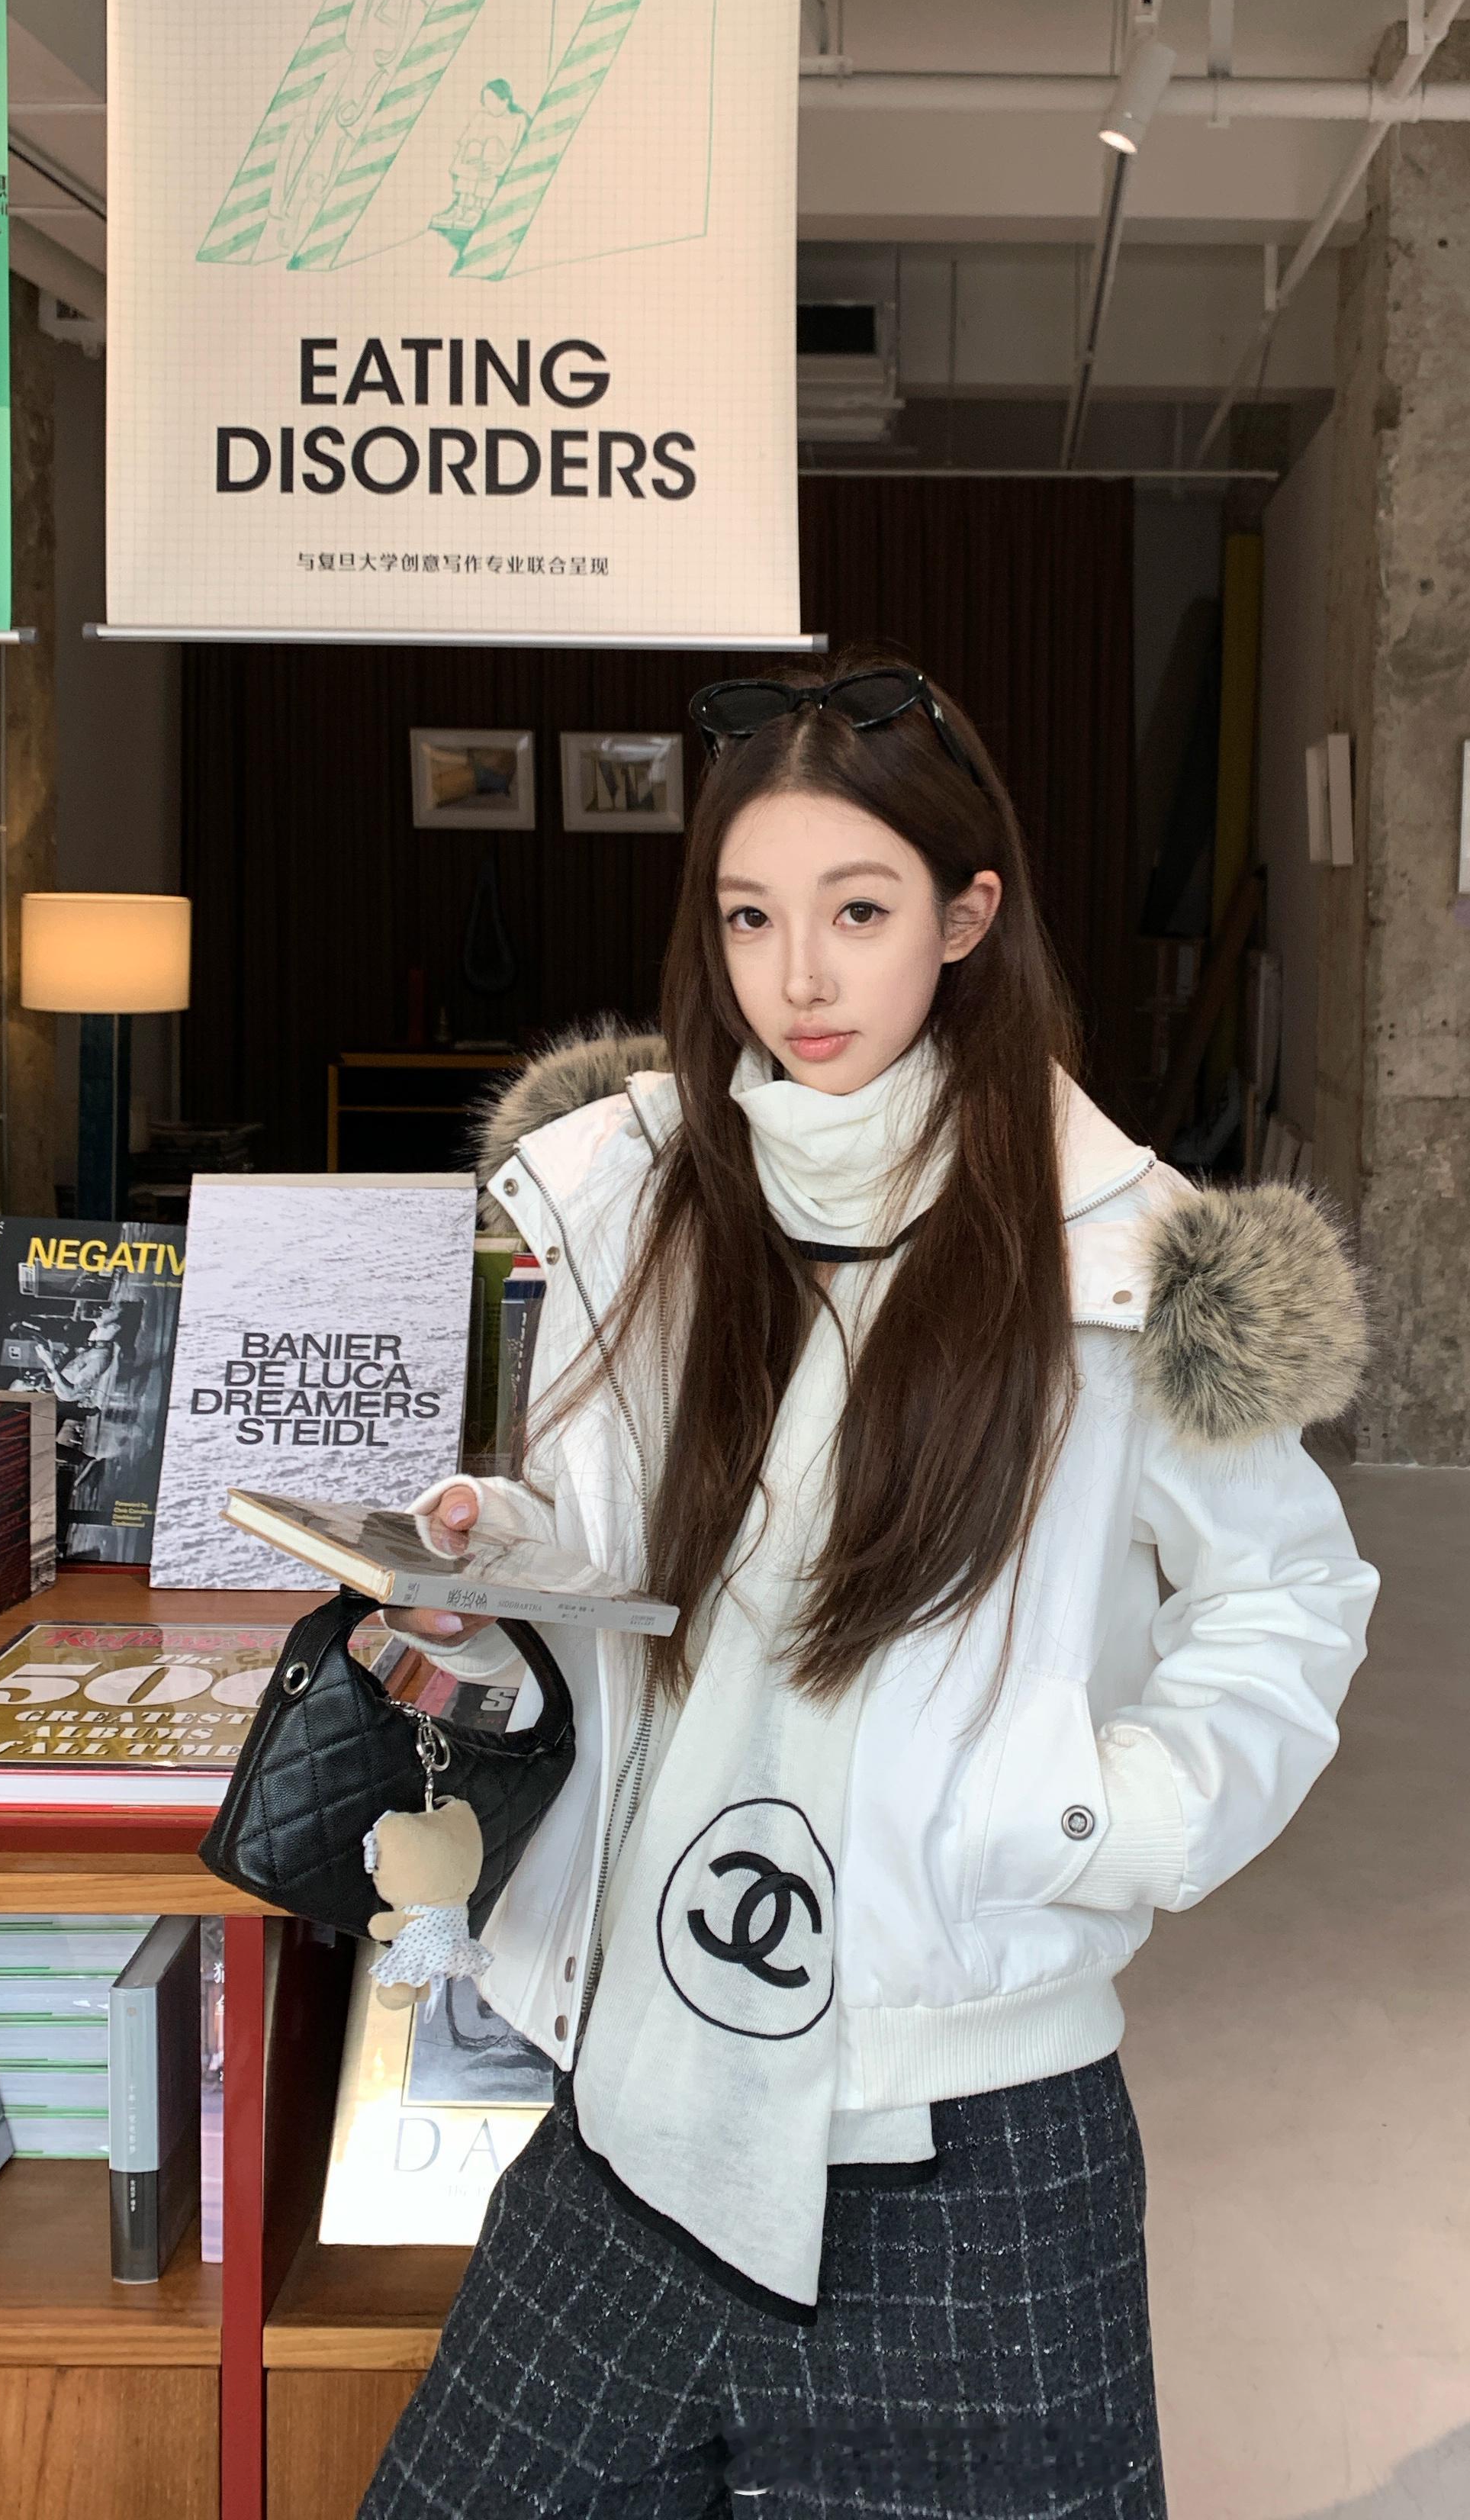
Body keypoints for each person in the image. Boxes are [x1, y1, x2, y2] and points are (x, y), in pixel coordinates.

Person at [361, 656, 1377, 2520]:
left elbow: (1290, 1596)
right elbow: (620, 1560)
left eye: (857, 912)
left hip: (972, 2148)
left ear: (966, 918)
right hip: (633, 2097)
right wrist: (487, 1574)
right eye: (750, 917)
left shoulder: (1120, 1255)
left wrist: (1101, 1811)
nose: (799, 979)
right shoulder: (629, 1200)